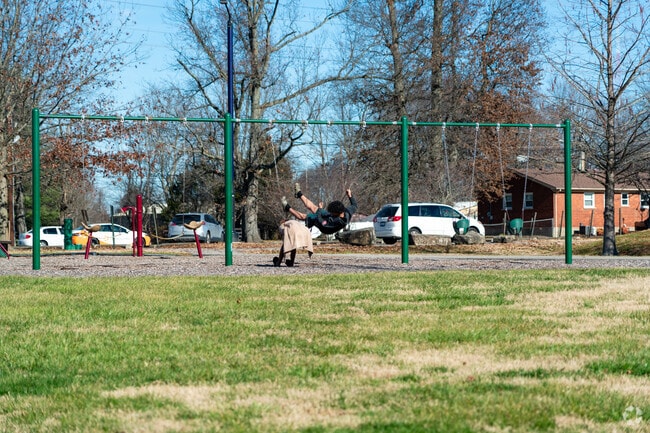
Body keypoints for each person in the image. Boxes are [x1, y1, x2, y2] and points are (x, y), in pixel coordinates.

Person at [281, 183, 358, 235]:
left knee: (305, 217)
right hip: (330, 218)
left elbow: (321, 222)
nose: (329, 212)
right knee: (315, 208)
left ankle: (287, 207)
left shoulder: (337, 221)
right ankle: (299, 194)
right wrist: (350, 195)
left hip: (326, 227)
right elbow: (354, 205)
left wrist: (320, 210)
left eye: (331, 212)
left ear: (335, 213)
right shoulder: (347, 211)